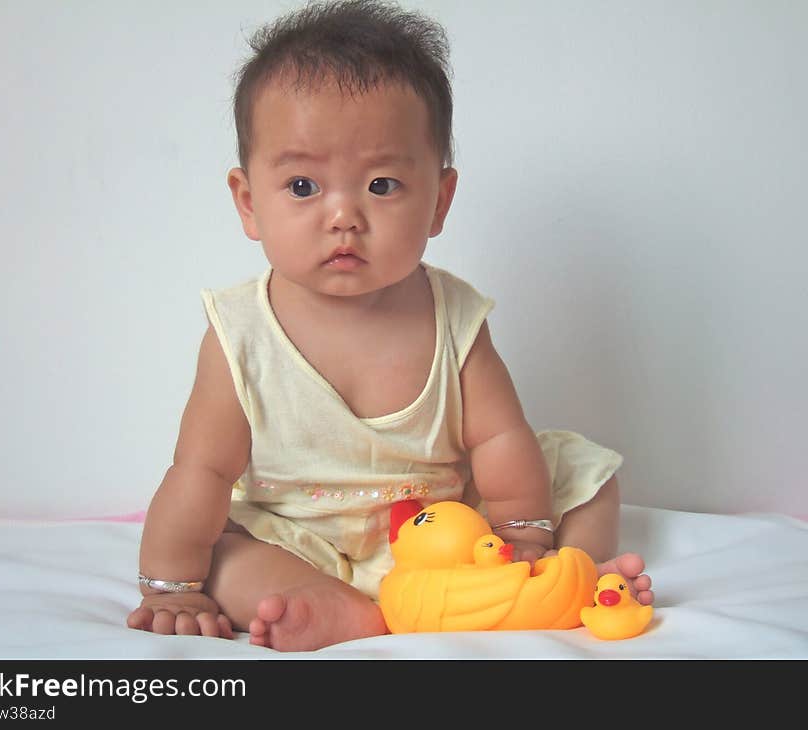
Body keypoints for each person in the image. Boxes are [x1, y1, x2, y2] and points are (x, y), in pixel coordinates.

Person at [127, 0, 653, 652]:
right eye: (301, 186)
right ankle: (334, 606)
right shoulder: (241, 333)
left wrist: (523, 535)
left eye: (381, 185)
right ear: (247, 202)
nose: (344, 215)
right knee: (228, 551)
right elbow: (200, 473)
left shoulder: (454, 317)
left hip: (449, 535)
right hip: (301, 537)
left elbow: (499, 439)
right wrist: (172, 585)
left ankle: (568, 577)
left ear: (438, 200)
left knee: (587, 477)